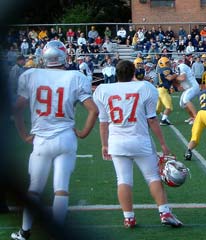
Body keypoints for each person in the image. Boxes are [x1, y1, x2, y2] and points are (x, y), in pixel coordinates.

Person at [11, 40, 98, 240]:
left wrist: (24, 134)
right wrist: (83, 132)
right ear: (64, 56)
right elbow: (94, 110)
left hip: (41, 140)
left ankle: (24, 233)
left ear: (44, 57)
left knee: (34, 189)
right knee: (61, 189)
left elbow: (17, 109)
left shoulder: (30, 75)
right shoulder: (76, 76)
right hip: (66, 138)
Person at [93, 59, 182, 229]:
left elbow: (103, 122)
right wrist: (163, 145)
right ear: (134, 72)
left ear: (116, 74)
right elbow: (152, 120)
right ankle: (165, 212)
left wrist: (104, 145)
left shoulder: (103, 90)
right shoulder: (145, 87)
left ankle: (129, 218)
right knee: (153, 177)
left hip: (117, 141)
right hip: (140, 140)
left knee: (123, 179)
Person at [176, 58, 200, 125]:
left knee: (186, 99)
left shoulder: (181, 66)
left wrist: (174, 77)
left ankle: (196, 117)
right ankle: (192, 116)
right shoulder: (181, 67)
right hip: (189, 88)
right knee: (182, 104)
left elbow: (183, 78)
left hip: (193, 86)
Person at [156, 57, 177, 125]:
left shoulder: (160, 69)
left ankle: (146, 119)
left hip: (158, 90)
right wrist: (176, 74)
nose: (169, 63)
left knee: (157, 110)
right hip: (163, 90)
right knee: (169, 107)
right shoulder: (165, 69)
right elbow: (170, 78)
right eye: (167, 62)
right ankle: (163, 120)